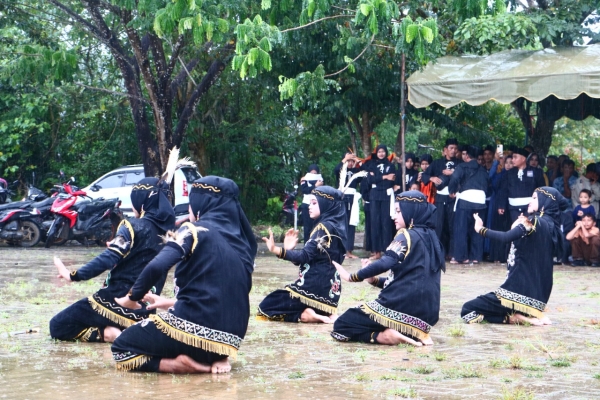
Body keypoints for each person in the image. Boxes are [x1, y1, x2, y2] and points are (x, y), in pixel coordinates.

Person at [111, 176, 257, 373]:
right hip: (230, 340)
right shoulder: (244, 244)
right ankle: (218, 358)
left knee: (122, 346)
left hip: (191, 333)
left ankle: (181, 365)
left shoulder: (193, 230)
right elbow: (221, 296)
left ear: (200, 205)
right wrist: (167, 302)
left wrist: (131, 297)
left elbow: (156, 267)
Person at [49, 176, 176, 343]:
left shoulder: (132, 225)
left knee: (57, 326)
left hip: (115, 301)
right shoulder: (171, 235)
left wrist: (73, 275)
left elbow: (108, 258)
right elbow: (142, 258)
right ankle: (121, 329)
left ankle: (107, 333)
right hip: (145, 309)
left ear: (141, 202)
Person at [330, 191, 445, 347]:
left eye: (398, 211)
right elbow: (410, 280)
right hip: (426, 318)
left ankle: (386, 337)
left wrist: (352, 276)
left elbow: (385, 262)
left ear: (411, 213)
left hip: (400, 307)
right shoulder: (432, 238)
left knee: (341, 325)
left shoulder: (406, 234)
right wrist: (374, 280)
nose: (393, 216)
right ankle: (413, 334)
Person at [461, 187, 564, 326]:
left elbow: (506, 237)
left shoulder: (534, 221)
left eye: (534, 198)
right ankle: (523, 316)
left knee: (468, 310)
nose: (530, 201)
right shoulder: (552, 226)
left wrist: (480, 229)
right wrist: (515, 227)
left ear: (545, 202)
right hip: (538, 299)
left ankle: (516, 318)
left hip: (517, 292)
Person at [258, 185, 347, 323]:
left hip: (313, 289)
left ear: (325, 204)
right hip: (330, 295)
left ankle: (308, 315)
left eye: (314, 203)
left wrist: (276, 249)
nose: (309, 206)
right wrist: (290, 251)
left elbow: (303, 257)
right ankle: (323, 314)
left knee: (267, 306)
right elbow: (311, 259)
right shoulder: (336, 227)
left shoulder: (323, 228)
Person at [448, 145, 489, 264]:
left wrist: (452, 191)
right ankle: (476, 257)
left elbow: (454, 178)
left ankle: (461, 257)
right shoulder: (483, 169)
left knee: (461, 228)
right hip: (481, 201)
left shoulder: (462, 166)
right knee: (477, 228)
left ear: (467, 156)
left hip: (465, 201)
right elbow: (488, 184)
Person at [421, 138, 460, 257]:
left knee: (452, 225)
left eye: (455, 149)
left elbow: (466, 176)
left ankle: (452, 252)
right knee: (439, 225)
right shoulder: (437, 163)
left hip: (454, 197)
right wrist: (431, 178)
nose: (453, 151)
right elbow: (424, 175)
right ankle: (438, 253)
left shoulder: (460, 164)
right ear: (445, 150)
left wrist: (453, 172)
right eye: (451, 148)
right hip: (440, 197)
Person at [496, 148, 545, 222]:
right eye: (512, 157)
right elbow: (503, 190)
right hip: (513, 209)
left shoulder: (536, 172)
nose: (512, 160)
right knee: (516, 230)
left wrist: (541, 205)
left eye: (515, 157)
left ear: (523, 159)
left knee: (530, 230)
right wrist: (501, 205)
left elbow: (541, 190)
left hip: (530, 208)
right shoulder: (508, 174)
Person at [366, 145, 396, 260]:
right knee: (375, 223)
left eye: (383, 151)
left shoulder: (391, 165)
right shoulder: (371, 165)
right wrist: (385, 177)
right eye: (379, 152)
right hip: (374, 196)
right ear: (376, 153)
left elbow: (391, 181)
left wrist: (378, 178)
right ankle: (376, 251)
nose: (381, 154)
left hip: (386, 196)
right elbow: (370, 180)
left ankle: (387, 250)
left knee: (386, 223)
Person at [334, 152, 364, 259]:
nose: (350, 163)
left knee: (351, 224)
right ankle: (341, 250)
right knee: (342, 223)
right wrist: (344, 159)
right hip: (342, 197)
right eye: (348, 161)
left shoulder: (356, 171)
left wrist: (358, 162)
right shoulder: (341, 170)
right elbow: (336, 170)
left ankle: (349, 250)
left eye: (352, 161)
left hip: (353, 198)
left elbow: (364, 175)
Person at [300, 164, 324, 243]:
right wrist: (315, 186)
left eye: (315, 173)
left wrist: (318, 185)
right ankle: (306, 245)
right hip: (306, 204)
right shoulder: (304, 179)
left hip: (316, 205)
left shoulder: (320, 180)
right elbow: (305, 190)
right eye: (312, 173)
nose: (313, 174)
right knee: (307, 227)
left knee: (316, 226)